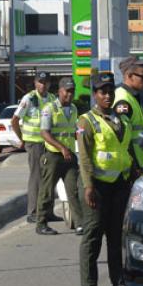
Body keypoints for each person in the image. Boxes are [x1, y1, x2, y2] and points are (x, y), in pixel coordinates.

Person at [76, 72, 134, 286]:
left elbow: (126, 150)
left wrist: (134, 172)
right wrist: (89, 186)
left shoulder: (122, 120)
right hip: (97, 187)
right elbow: (85, 157)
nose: (107, 96)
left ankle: (118, 283)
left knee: (116, 237)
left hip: (119, 184)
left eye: (110, 91)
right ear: (95, 95)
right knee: (93, 235)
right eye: (102, 92)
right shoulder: (86, 121)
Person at [36, 77, 85, 236]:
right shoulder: (49, 108)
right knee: (47, 191)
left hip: (69, 156)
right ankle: (41, 223)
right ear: (59, 91)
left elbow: (75, 131)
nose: (69, 95)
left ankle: (79, 224)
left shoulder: (74, 109)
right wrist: (62, 148)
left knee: (74, 190)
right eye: (66, 91)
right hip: (53, 156)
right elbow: (44, 133)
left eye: (72, 91)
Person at [11, 72, 56, 224]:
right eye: (40, 82)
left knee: (49, 178)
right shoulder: (29, 98)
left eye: (46, 82)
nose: (43, 85)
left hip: (48, 143)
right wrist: (22, 139)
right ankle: (33, 212)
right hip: (34, 143)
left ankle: (47, 211)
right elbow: (15, 120)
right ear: (35, 83)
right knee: (36, 177)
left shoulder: (51, 99)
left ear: (49, 84)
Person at [115, 56, 143, 173]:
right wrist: (134, 166)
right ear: (129, 76)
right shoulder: (123, 100)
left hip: (139, 166)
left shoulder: (132, 97)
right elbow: (124, 139)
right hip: (130, 168)